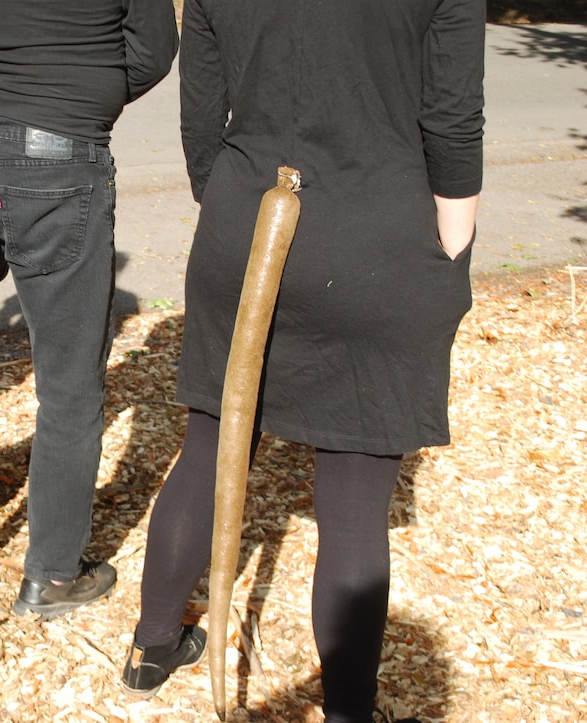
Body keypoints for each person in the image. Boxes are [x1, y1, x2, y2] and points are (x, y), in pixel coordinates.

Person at [121, 0, 484, 719]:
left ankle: (152, 646)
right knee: (353, 502)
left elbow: (202, 117)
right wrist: (452, 247)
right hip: (378, 229)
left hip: (247, 214)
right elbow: (452, 116)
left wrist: (226, 203)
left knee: (210, 445)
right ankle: (349, 709)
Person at [0, 1, 179, 618]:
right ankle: (49, 575)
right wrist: (75, 89)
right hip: (58, 146)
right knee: (70, 386)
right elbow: (153, 49)